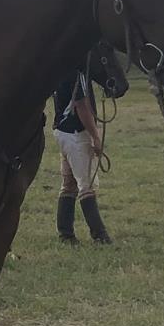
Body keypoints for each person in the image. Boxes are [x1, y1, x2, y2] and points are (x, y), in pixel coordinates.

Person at [52, 67, 111, 245]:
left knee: (69, 184)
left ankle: (65, 233)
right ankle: (99, 235)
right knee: (87, 185)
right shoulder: (76, 73)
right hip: (76, 133)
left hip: (63, 131)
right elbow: (82, 105)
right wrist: (95, 136)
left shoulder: (61, 68)